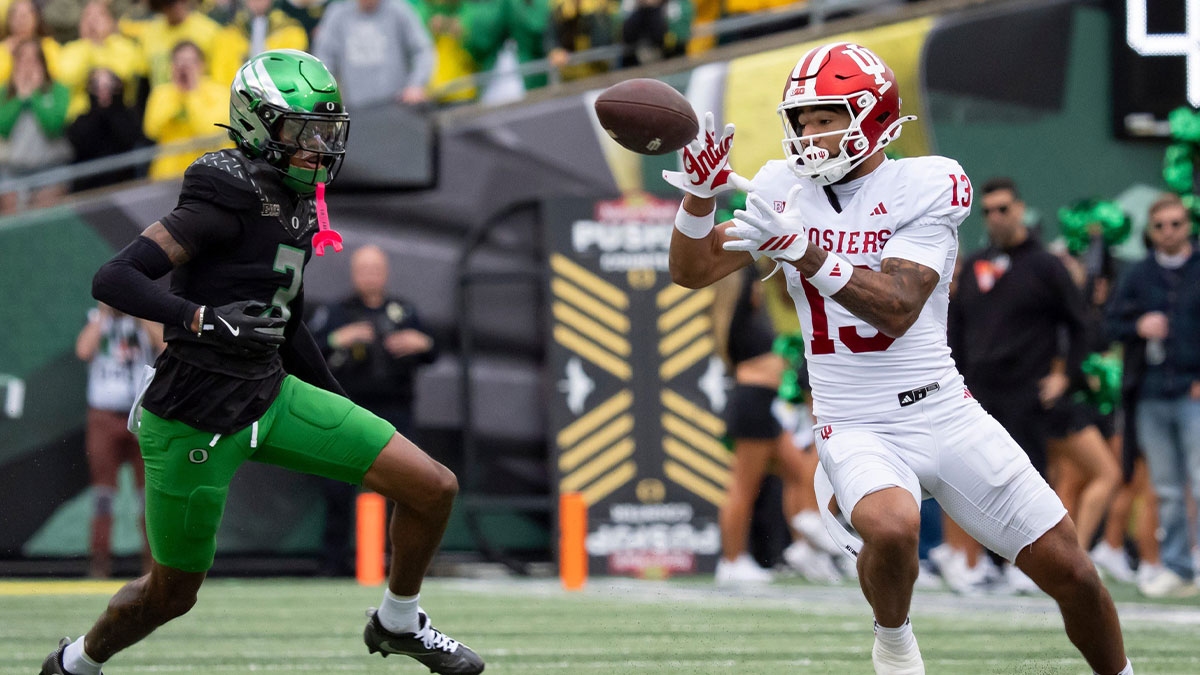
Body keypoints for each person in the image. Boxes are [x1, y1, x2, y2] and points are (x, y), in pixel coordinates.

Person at [663, 42, 1130, 675]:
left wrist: (803, 251)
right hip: (853, 421)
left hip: (944, 410)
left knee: (1073, 574)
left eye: (825, 117)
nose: (808, 135)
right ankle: (895, 640)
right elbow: (692, 270)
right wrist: (697, 199)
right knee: (890, 525)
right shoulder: (785, 188)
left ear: (872, 115)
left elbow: (899, 304)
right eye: (800, 120)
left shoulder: (927, 182)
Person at [40, 50, 483, 675]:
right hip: (195, 415)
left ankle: (398, 622)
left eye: (326, 133)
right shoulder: (224, 192)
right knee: (171, 595)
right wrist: (202, 317)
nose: (318, 147)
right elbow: (114, 277)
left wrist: (337, 400)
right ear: (257, 126)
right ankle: (76, 663)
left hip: (271, 395)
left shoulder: (300, 198)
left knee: (432, 487)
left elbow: (288, 318)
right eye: (301, 132)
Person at [309, 243, 438, 576]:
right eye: (364, 269)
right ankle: (333, 562)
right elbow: (311, 348)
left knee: (406, 487)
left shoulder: (403, 310)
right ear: (354, 274)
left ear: (385, 273)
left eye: (376, 269)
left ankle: (403, 563)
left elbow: (433, 349)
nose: (370, 276)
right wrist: (342, 338)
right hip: (348, 411)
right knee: (338, 488)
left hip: (396, 411)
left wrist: (420, 343)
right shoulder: (337, 311)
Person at [710, 264, 839, 586]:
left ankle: (804, 542)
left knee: (798, 471)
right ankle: (731, 561)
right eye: (754, 286)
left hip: (767, 406)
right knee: (743, 486)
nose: (758, 291)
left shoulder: (754, 318)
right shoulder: (740, 318)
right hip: (753, 403)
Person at [1107, 193, 1200, 598]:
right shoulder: (1138, 274)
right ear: (1150, 230)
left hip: (1192, 391)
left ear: (1188, 225)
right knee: (1165, 487)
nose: (1168, 231)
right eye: (1160, 225)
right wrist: (1137, 325)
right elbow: (1109, 323)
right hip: (1149, 393)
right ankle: (1178, 566)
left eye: (1175, 223)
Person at [74, 303, 163, 578]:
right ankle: (100, 563)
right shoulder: (97, 319)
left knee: (148, 495)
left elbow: (164, 346)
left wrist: (138, 313)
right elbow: (84, 351)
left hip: (141, 415)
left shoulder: (145, 318)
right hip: (104, 415)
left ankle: (153, 564)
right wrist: (104, 312)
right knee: (103, 494)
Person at [311, 0, 434, 108]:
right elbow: (324, 59)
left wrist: (416, 84)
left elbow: (422, 50)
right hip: (355, 109)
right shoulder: (338, 13)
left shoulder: (399, 10)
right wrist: (327, 94)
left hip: (396, 107)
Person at [0, 38, 71, 212]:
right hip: (13, 171)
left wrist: (35, 96)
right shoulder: (4, 93)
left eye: (33, 60)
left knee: (46, 214)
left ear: (43, 63)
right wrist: (20, 98)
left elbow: (53, 127)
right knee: (12, 213)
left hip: (51, 168)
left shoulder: (58, 90)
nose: (28, 65)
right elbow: (3, 128)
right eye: (22, 59)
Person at [142, 40, 228, 179]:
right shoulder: (161, 93)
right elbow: (152, 129)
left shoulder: (219, 92)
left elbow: (207, 131)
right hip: (168, 174)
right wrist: (179, 94)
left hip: (209, 173)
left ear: (202, 65)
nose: (184, 67)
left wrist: (191, 94)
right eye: (178, 62)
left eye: (190, 62)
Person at [65, 67, 148, 191]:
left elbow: (129, 138)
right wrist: (100, 109)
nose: (103, 91)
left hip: (125, 186)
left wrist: (112, 106)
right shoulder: (81, 121)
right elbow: (82, 142)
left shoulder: (129, 115)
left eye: (109, 86)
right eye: (97, 86)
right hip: (91, 189)